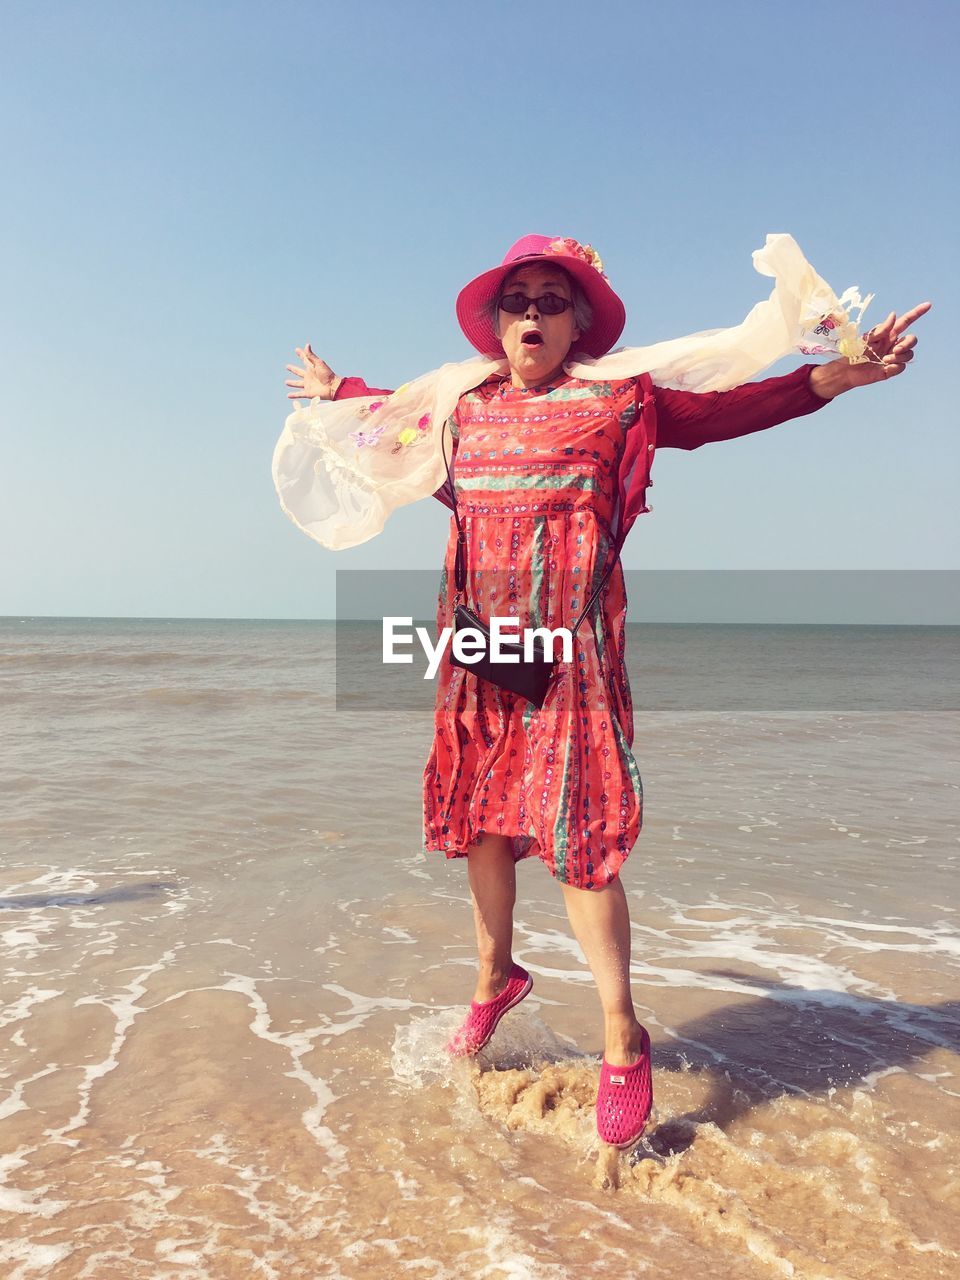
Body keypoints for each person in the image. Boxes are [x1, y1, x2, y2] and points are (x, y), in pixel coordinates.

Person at [280, 234, 929, 1149]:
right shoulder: (459, 407)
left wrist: (843, 378)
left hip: (572, 650)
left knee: (582, 841)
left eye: (552, 299)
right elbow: (396, 419)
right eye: (519, 301)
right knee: (484, 820)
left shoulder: (619, 398)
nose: (533, 315)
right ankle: (493, 979)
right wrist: (342, 391)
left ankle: (623, 1036)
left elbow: (728, 411)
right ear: (497, 323)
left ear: (580, 322)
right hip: (478, 643)